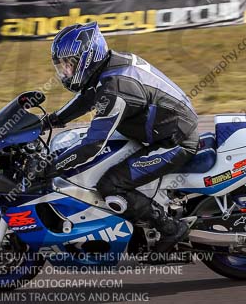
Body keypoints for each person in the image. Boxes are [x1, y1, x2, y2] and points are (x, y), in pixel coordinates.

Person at [43, 22, 199, 252]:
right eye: (62, 66)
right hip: (162, 131)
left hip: (174, 142)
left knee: (111, 184)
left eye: (69, 64)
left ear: (87, 58)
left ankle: (170, 228)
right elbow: (87, 98)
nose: (65, 72)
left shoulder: (116, 88)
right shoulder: (109, 67)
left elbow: (93, 145)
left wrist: (52, 167)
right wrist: (49, 121)